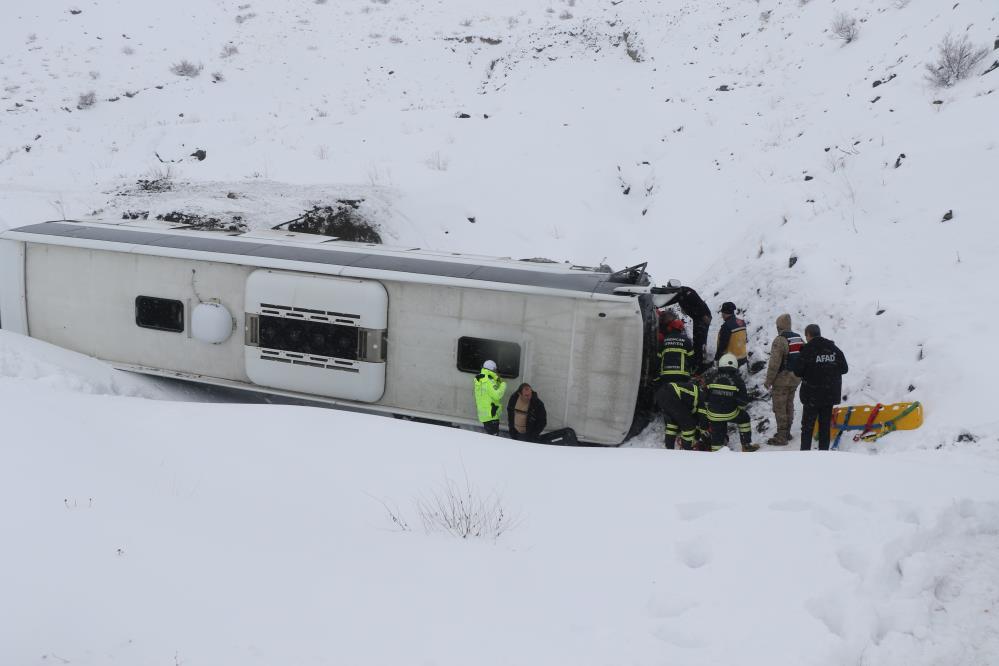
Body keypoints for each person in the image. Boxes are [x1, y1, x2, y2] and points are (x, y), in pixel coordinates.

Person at [794, 324, 848, 451]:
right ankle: (824, 455)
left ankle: (805, 454)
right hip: (829, 395)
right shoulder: (833, 348)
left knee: (807, 427)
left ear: (808, 335)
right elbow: (844, 368)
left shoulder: (807, 350)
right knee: (824, 427)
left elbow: (797, 371)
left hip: (811, 395)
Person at [702, 353, 758, 452]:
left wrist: (710, 408)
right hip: (730, 413)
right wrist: (736, 406)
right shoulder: (738, 380)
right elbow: (743, 402)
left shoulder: (710, 377)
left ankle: (716, 451)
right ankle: (746, 445)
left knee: (717, 432)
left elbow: (705, 397)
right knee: (744, 418)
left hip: (713, 414)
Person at [763, 313, 804, 446]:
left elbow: (774, 363)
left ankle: (781, 436)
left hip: (782, 380)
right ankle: (787, 432)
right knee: (789, 405)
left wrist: (768, 381)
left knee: (780, 407)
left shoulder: (780, 340)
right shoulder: (798, 338)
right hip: (795, 378)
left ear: (779, 326)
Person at [506, 383, 578, 444]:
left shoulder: (537, 404)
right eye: (526, 395)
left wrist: (533, 435)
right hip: (515, 433)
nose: (529, 397)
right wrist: (511, 429)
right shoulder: (514, 399)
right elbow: (510, 413)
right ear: (520, 394)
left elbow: (543, 422)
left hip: (528, 435)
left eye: (530, 394)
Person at [663, 286, 712, 372]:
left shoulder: (687, 292)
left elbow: (699, 303)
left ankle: (700, 365)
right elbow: (668, 301)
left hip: (703, 317)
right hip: (697, 318)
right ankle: (697, 362)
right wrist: (658, 304)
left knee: (700, 341)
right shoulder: (677, 295)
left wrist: (704, 315)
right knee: (697, 340)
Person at [654, 379, 700, 450]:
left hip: (662, 395)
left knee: (672, 425)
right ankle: (686, 450)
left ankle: (669, 449)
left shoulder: (687, 388)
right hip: (671, 396)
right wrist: (703, 429)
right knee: (689, 425)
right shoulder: (700, 394)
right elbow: (700, 415)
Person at [474, 360, 507, 435]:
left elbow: (489, 392)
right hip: (491, 414)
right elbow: (497, 395)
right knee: (493, 440)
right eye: (495, 369)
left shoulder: (481, 378)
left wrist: (497, 381)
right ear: (492, 369)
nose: (496, 371)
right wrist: (503, 385)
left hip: (485, 415)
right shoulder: (489, 380)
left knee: (490, 439)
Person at [714, 301, 748, 368]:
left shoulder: (726, 326)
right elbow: (745, 339)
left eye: (722, 313)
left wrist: (716, 358)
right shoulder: (742, 322)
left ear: (724, 313)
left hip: (731, 361)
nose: (721, 315)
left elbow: (722, 345)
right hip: (743, 357)